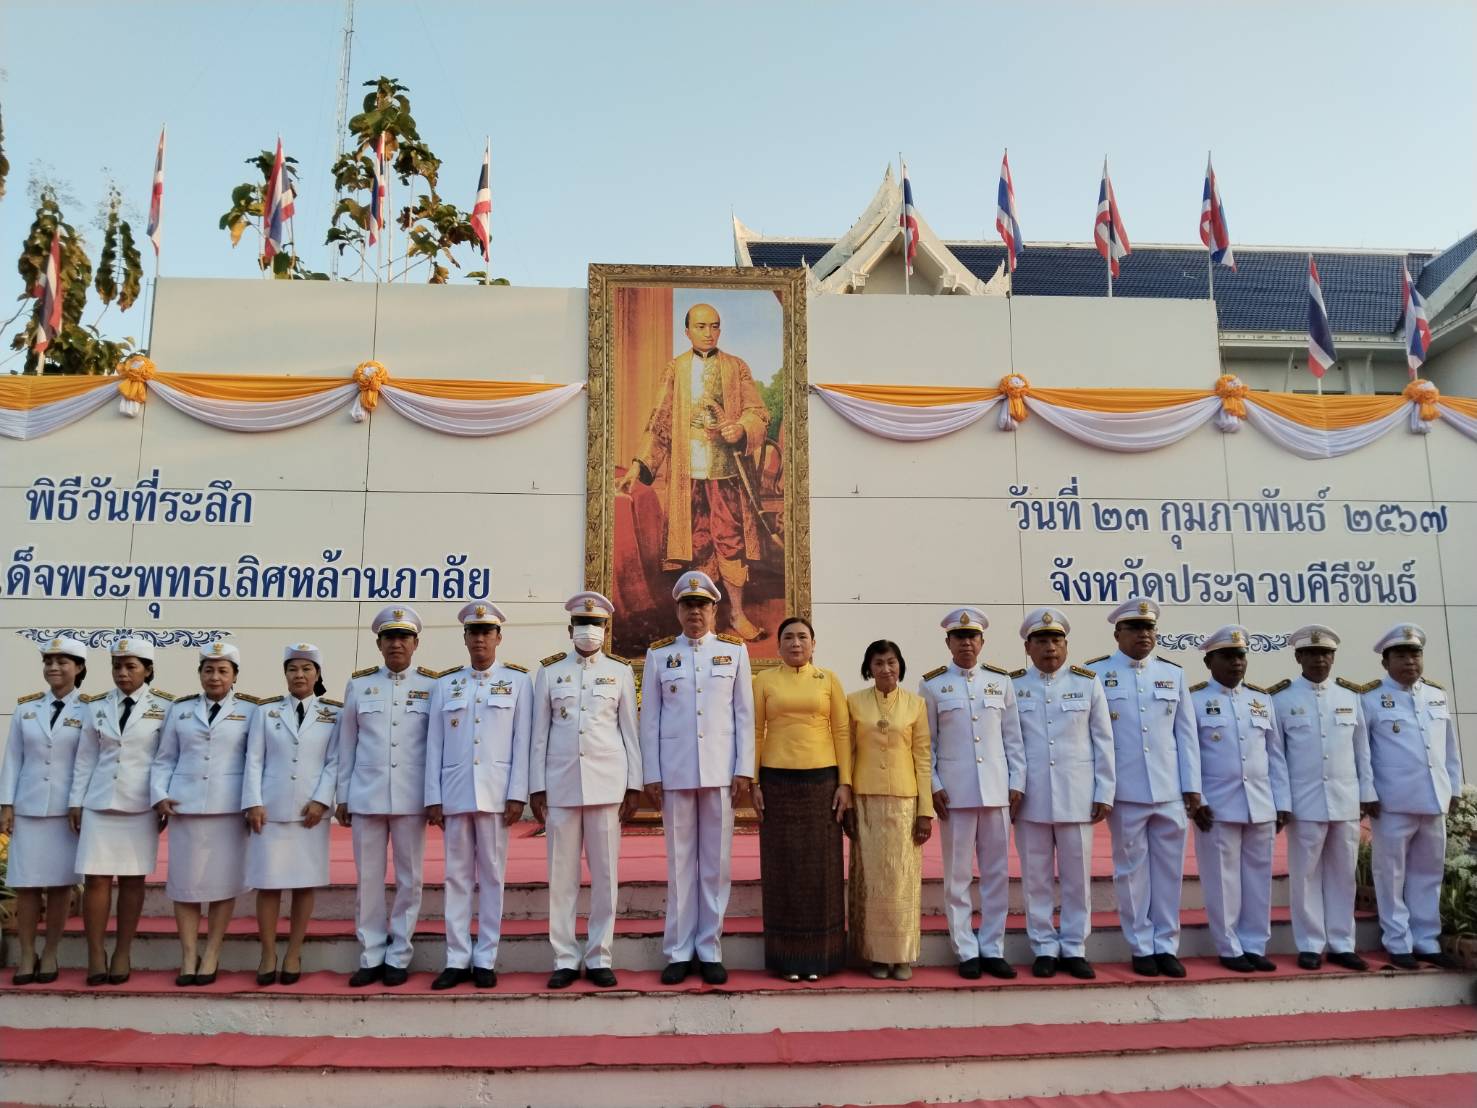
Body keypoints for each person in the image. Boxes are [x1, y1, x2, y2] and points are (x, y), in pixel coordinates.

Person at [616, 302, 772, 641]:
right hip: (688, 477)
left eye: (714, 326)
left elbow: (759, 412)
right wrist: (639, 465)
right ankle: (707, 617)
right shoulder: (676, 370)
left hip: (728, 473)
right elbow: (659, 421)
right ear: (686, 331)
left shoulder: (736, 367)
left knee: (730, 543)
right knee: (699, 544)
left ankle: (737, 613)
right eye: (701, 326)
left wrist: (742, 428)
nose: (708, 332)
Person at [640, 572, 754, 986]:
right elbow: (648, 719)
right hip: (674, 771)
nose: (695, 613)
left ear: (714, 609)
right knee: (679, 862)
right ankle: (678, 949)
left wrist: (744, 768)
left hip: (720, 770)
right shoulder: (659, 656)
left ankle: (709, 947)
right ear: (677, 610)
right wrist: (651, 773)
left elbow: (744, 715)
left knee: (716, 864)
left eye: (702, 606)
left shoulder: (733, 652)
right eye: (688, 606)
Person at [1085, 597, 1201, 979]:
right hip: (1126, 789)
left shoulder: (1173, 674)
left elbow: (1186, 736)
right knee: (1131, 871)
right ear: (1118, 633)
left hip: (1169, 788)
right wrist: (1102, 788)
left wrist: (1192, 786)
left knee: (1169, 871)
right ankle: (1140, 945)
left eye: (1149, 629)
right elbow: (1095, 738)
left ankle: (1167, 944)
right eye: (1135, 629)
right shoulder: (1095, 674)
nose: (1144, 635)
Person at [530, 591, 642, 989]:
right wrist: (536, 786)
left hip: (606, 786)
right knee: (561, 877)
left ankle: (598, 955)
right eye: (582, 624)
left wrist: (634, 785)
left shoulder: (620, 673)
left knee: (605, 876)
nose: (589, 631)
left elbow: (630, 732)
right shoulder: (549, 673)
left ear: (606, 631)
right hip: (560, 786)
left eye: (596, 625)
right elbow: (539, 736)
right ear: (569, 629)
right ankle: (564, 955)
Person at [425, 601, 532, 991]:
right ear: (465, 638)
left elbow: (523, 743)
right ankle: (456, 957)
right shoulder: (446, 684)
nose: (481, 638)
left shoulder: (520, 682)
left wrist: (517, 793)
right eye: (474, 632)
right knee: (455, 877)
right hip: (454, 792)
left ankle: (485, 956)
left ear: (499, 637)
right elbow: (434, 744)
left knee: (491, 877)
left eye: (488, 632)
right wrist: (432, 795)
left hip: (496, 794)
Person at [335, 606, 438, 988]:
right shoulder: (359, 685)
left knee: (411, 880)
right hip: (366, 795)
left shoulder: (431, 686)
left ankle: (399, 953)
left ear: (415, 644)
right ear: (379, 644)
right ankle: (372, 952)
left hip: (411, 798)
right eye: (389, 638)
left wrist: (433, 796)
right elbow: (347, 744)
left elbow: (436, 747)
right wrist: (343, 795)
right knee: (368, 879)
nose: (397, 644)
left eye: (403, 638)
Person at [1010, 609, 1114, 980]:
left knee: (1076, 877)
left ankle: (1074, 946)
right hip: (1031, 797)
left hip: (1078, 794)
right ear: (1028, 646)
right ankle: (1043, 946)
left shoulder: (1088, 683)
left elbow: (1103, 741)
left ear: (1066, 645)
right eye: (1041, 641)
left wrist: (1105, 789)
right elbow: (1010, 743)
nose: (1049, 648)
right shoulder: (1014, 685)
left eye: (1056, 640)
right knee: (1035, 877)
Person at [921, 608, 1025, 980]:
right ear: (948, 643)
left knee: (997, 874)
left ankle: (993, 947)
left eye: (972, 637)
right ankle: (965, 949)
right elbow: (926, 745)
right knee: (958, 876)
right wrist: (933, 785)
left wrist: (1017, 782)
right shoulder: (932, 685)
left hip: (997, 791)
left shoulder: (1001, 682)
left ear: (981, 642)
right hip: (956, 795)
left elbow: (1013, 738)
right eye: (959, 637)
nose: (966, 643)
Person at [69, 635, 175, 986]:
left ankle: (123, 951)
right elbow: (85, 758)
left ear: (148, 670)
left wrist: (161, 797)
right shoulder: (96, 705)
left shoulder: (165, 707)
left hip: (140, 802)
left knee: (133, 880)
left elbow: (166, 758)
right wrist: (76, 801)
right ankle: (95, 952)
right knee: (95, 880)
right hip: (99, 801)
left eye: (131, 666)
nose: (123, 673)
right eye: (117, 666)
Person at [1268, 625, 1374, 972]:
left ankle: (1343, 943)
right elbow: (1277, 758)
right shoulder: (1281, 699)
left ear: (1333, 658)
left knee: (1344, 875)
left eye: (1325, 654)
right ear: (1298, 657)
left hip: (1345, 800)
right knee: (1305, 875)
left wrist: (1367, 793)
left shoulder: (1349, 697)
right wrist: (1282, 802)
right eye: (1311, 654)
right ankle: (1311, 943)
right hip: (1305, 802)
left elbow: (1363, 753)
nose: (1319, 660)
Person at [152, 641, 257, 987]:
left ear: (235, 676)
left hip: (228, 809)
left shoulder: (251, 711)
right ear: (199, 674)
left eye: (223, 670)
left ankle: (212, 951)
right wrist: (160, 795)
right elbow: (165, 757)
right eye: (208, 670)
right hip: (186, 807)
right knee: (184, 885)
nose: (215, 677)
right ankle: (188, 954)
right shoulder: (179, 710)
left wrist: (251, 801)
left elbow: (254, 760)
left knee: (222, 884)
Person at [752, 616, 851, 980]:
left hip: (822, 781)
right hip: (776, 781)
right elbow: (756, 732)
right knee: (783, 867)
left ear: (813, 644)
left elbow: (841, 730)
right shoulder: (763, 680)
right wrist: (754, 782)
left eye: (803, 637)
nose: (796, 643)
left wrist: (846, 783)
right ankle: (786, 958)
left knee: (821, 867)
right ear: (778, 646)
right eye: (789, 638)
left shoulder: (828, 679)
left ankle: (821, 957)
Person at [1187, 625, 1290, 973]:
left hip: (1260, 803)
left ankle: (1255, 944)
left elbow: (1275, 755)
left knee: (1258, 879)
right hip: (1216, 805)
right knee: (1222, 879)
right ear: (1209, 661)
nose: (1237, 662)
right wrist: (1195, 799)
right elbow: (1190, 755)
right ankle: (1229, 946)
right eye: (1228, 656)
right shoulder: (1195, 700)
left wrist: (1282, 802)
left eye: (1241, 655)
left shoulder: (1262, 700)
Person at [1361, 624, 1464, 970]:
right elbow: (1363, 753)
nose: (1410, 661)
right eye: (1401, 655)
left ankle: (1426, 939)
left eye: (1415, 654)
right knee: (1390, 875)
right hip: (1392, 802)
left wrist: (1454, 787)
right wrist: (1368, 792)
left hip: (1433, 799)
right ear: (1385, 662)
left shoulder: (1436, 695)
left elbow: (1448, 749)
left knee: (1428, 873)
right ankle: (1397, 940)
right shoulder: (1370, 699)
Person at [243, 643, 341, 986]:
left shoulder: (334, 713)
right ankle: (268, 952)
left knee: (304, 885)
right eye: (292, 669)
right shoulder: (265, 712)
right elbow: (254, 759)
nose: (299, 675)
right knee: (268, 885)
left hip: (310, 812)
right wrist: (252, 802)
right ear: (284, 674)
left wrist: (322, 801)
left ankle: (294, 952)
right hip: (270, 808)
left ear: (317, 674)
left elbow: (335, 762)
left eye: (306, 669)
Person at [1, 635, 88, 985]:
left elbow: (87, 761)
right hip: (29, 806)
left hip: (67, 811)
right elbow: (12, 761)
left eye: (62, 661)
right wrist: (6, 804)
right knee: (25, 884)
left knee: (60, 886)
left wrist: (79, 802)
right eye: (48, 661)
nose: (53, 667)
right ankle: (26, 952)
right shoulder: (26, 709)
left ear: (79, 668)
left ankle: (50, 952)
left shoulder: (90, 710)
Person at [846, 639, 931, 981]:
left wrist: (925, 809)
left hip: (904, 801)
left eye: (892, 662)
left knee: (901, 880)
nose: (886, 669)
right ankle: (875, 955)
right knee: (871, 879)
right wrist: (848, 800)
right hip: (866, 798)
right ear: (869, 667)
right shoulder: (854, 702)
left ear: (901, 665)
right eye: (879, 663)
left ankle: (902, 955)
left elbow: (923, 758)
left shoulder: (916, 704)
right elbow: (848, 754)